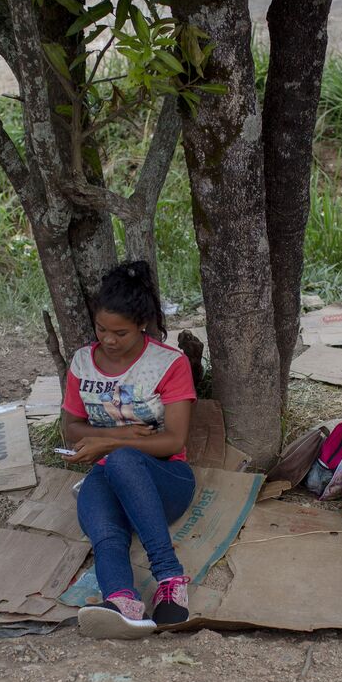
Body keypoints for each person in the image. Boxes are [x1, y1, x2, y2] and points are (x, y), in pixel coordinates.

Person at [61, 261, 197, 639]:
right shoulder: (82, 363)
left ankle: (169, 576)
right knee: (104, 528)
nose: (108, 340)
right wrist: (121, 440)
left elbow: (173, 440)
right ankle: (122, 602)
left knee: (121, 460)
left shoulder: (168, 363)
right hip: (106, 473)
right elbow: (71, 428)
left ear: (142, 324)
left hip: (164, 479)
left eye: (119, 332)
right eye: (101, 329)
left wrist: (112, 442)